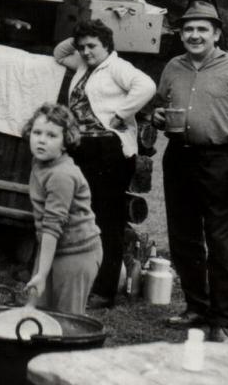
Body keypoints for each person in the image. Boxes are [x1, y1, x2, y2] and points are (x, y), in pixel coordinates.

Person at [151, 0, 228, 343]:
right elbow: (159, 106)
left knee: (217, 241)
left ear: (216, 34)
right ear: (181, 34)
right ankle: (196, 307)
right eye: (188, 29)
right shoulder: (172, 66)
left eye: (202, 29)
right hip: (178, 159)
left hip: (218, 161)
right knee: (183, 239)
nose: (194, 35)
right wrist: (158, 117)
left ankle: (220, 320)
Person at [54, 20, 156, 309]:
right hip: (82, 147)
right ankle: (76, 277)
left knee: (106, 220)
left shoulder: (116, 67)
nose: (85, 51)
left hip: (108, 150)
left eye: (92, 46)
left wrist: (121, 114)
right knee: (79, 212)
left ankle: (104, 290)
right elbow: (59, 54)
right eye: (82, 46)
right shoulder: (85, 65)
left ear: (107, 46)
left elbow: (146, 86)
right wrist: (77, 38)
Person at [23, 103, 103, 315]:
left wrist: (41, 273)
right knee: (36, 311)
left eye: (51, 135)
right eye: (37, 132)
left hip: (77, 253)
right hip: (52, 246)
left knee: (66, 320)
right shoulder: (40, 162)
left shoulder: (61, 175)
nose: (41, 140)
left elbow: (52, 225)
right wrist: (42, 271)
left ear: (65, 142)